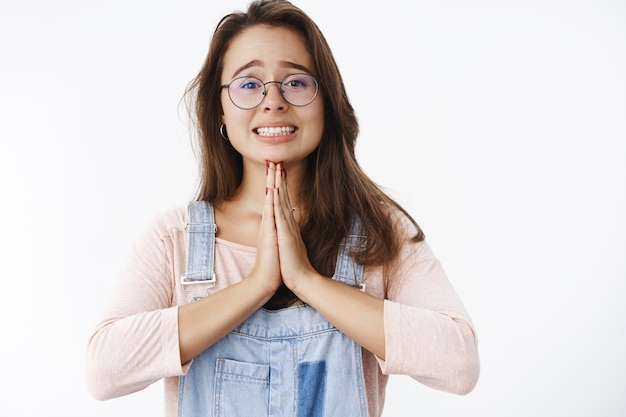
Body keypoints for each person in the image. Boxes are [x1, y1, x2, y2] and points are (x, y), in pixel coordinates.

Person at [85, 1, 480, 416]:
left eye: (295, 82)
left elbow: (459, 364)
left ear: (325, 100)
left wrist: (306, 279)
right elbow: (103, 370)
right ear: (220, 109)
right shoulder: (175, 239)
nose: (273, 101)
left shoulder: (381, 232)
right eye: (248, 84)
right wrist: (257, 285)